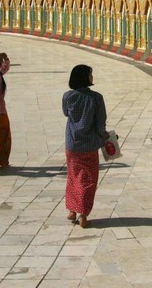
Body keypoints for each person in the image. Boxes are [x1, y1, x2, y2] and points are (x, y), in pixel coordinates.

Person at [62, 64, 108, 228]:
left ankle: (72, 210)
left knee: (73, 177)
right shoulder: (96, 98)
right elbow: (100, 123)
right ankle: (83, 214)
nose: (92, 77)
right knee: (88, 180)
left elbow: (66, 113)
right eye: (90, 74)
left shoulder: (68, 96)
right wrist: (106, 136)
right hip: (89, 145)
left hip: (72, 143)